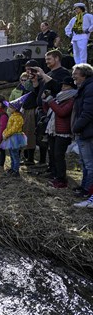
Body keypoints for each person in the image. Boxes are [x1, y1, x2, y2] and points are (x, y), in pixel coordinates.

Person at [42, 76, 77, 189]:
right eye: (62, 85)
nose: (63, 87)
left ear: (71, 87)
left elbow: (61, 112)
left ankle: (62, 180)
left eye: (65, 85)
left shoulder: (71, 99)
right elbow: (49, 111)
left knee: (59, 155)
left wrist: (50, 100)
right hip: (53, 130)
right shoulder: (59, 98)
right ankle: (55, 175)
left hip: (63, 131)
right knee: (52, 154)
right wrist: (45, 101)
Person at [71, 63, 93, 207]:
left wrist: (76, 127)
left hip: (87, 132)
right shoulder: (84, 87)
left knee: (89, 164)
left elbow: (87, 113)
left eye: (76, 75)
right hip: (84, 131)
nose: (73, 77)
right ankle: (84, 186)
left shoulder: (90, 88)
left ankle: (88, 190)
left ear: (84, 75)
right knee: (84, 163)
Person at [0, 100, 27, 177]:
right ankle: (12, 168)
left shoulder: (18, 117)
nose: (9, 108)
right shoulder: (13, 116)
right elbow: (9, 127)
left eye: (11, 107)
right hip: (11, 137)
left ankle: (16, 170)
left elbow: (14, 128)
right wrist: (4, 133)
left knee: (15, 154)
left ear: (15, 108)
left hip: (15, 137)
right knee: (12, 154)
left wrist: (6, 134)